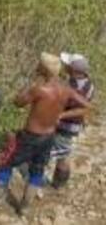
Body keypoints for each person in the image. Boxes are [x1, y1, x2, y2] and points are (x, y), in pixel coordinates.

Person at [0, 53, 90, 214]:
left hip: (29, 136)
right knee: (37, 170)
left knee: (6, 163)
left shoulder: (39, 89)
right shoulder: (66, 89)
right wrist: (62, 115)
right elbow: (86, 106)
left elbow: (18, 103)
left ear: (43, 69)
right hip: (48, 137)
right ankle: (25, 207)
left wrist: (28, 87)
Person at [52, 52, 96, 189]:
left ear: (74, 69)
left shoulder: (79, 86)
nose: (65, 66)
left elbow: (85, 108)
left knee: (62, 155)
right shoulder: (85, 84)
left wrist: (60, 115)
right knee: (63, 155)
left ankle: (58, 184)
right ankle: (58, 184)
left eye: (68, 65)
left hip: (68, 125)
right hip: (70, 125)